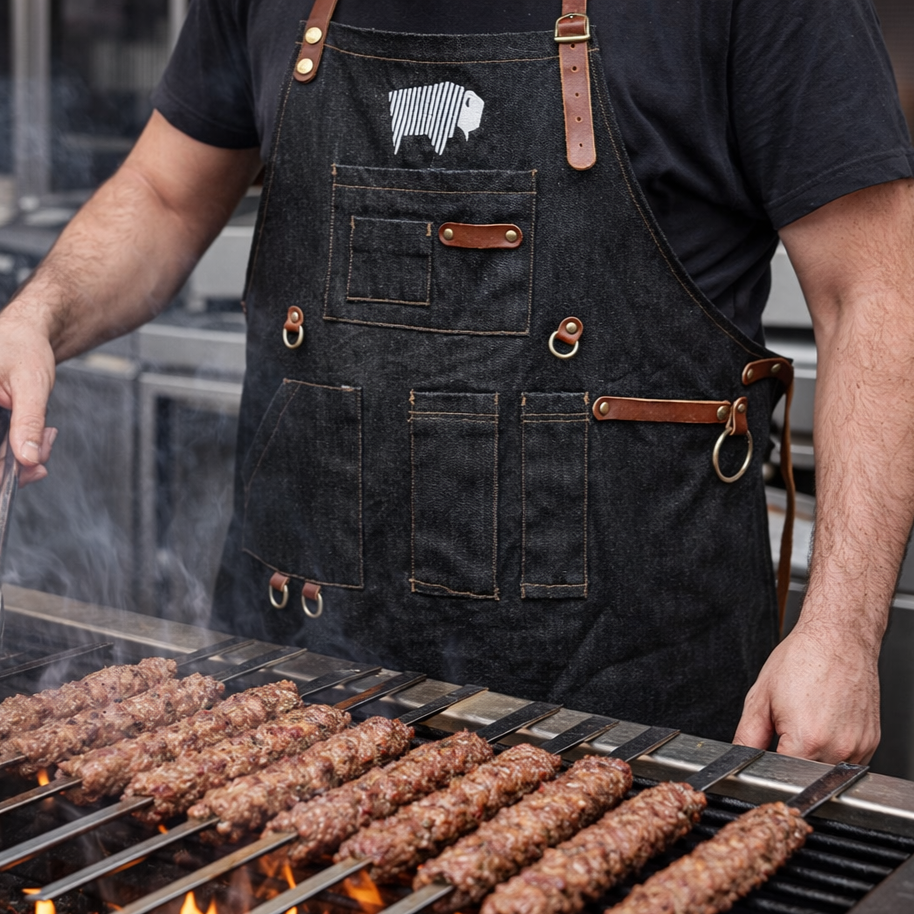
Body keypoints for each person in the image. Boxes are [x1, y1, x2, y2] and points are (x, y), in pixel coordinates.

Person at [1, 1, 912, 763]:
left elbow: (874, 289)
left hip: (633, 722)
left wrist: (840, 633)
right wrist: (35, 317)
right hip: (289, 701)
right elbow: (165, 193)